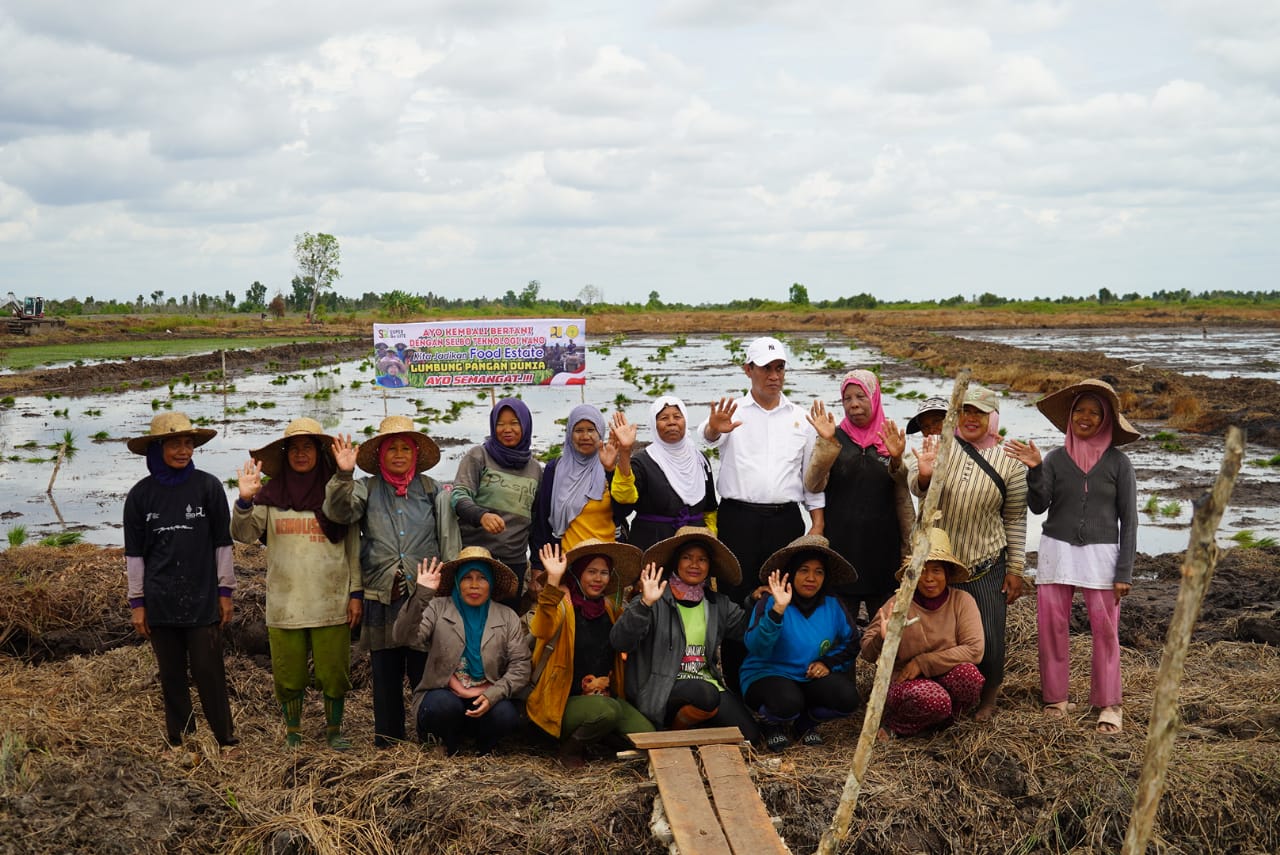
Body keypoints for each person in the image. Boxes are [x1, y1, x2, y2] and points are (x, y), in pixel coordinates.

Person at [1005, 378, 1140, 735]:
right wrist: (1034, 469)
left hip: (1103, 557)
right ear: (1070, 416)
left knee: (1106, 631)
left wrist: (1124, 570)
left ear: (1106, 420)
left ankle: (1109, 703)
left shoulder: (1119, 464)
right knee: (1052, 628)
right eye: (1079, 410)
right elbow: (1038, 506)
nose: (1085, 417)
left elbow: (1130, 519)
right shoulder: (1054, 459)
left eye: (1094, 413)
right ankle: (1056, 698)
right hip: (1056, 552)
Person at [698, 336, 824, 693]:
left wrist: (817, 521)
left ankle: (780, 683)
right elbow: (704, 440)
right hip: (737, 519)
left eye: (779, 367)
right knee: (738, 599)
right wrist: (712, 429)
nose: (774, 375)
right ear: (748, 370)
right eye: (766, 367)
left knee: (782, 596)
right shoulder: (731, 414)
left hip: (785, 519)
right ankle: (739, 687)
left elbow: (811, 478)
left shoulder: (801, 418)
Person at [232, 418, 362, 749]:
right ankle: (294, 732)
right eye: (294, 448)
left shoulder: (337, 495)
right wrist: (245, 501)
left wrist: (355, 593)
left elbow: (353, 549)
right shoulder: (270, 496)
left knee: (334, 673)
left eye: (308, 447)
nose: (301, 454)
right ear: (285, 454)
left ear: (320, 452)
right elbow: (244, 535)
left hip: (331, 600)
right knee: (288, 674)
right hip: (286, 602)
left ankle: (334, 731)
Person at [907, 384, 1027, 721]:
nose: (971, 418)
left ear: (993, 417)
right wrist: (926, 476)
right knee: (936, 636)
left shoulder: (1010, 461)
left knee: (987, 638)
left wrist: (1015, 567)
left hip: (984, 563)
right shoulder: (940, 446)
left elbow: (1016, 516)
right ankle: (942, 696)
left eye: (980, 412)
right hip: (937, 564)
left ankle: (987, 698)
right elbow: (916, 484)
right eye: (965, 411)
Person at [323, 415, 444, 747]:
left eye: (406, 448)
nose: (400, 455)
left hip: (423, 593)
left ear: (416, 454)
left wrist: (445, 587)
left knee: (425, 670)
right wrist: (344, 474)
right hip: (382, 592)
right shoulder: (366, 488)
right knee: (386, 673)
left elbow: (445, 536)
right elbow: (339, 513)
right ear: (380, 455)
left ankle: (428, 735)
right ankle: (388, 739)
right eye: (393, 449)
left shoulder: (431, 490)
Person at [123, 413, 237, 751]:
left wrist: (225, 590)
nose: (183, 450)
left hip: (202, 597)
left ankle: (225, 737)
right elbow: (135, 554)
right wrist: (137, 602)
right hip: (159, 599)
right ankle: (181, 738)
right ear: (157, 449)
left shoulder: (208, 487)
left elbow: (222, 542)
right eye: (174, 444)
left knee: (208, 669)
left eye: (188, 443)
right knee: (171, 674)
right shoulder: (140, 496)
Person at [609, 527, 761, 744]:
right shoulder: (655, 597)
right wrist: (644, 604)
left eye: (702, 559)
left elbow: (747, 632)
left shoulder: (718, 603)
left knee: (751, 736)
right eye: (687, 558)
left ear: (710, 567)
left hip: (707, 684)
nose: (694, 564)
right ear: (675, 562)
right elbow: (620, 641)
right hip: (661, 688)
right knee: (705, 695)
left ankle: (693, 723)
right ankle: (675, 731)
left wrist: (756, 603)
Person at [391, 546, 531, 755]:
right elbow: (403, 637)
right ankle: (447, 742)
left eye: (482, 578)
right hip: (446, 693)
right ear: (457, 581)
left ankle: (484, 745)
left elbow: (521, 665)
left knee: (505, 715)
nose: (474, 585)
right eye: (467, 578)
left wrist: (495, 693)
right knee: (442, 706)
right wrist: (421, 595)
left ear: (491, 584)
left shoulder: (506, 616)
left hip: (486, 695)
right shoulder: (437, 607)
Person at [527, 539, 653, 766]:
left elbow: (628, 637)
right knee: (607, 711)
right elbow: (541, 629)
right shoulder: (562, 605)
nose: (598, 579)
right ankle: (570, 750)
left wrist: (643, 601)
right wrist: (553, 583)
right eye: (591, 571)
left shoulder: (610, 608)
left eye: (604, 572)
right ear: (576, 573)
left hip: (603, 698)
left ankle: (598, 735)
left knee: (647, 736)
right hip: (562, 701)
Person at [805, 370, 914, 623]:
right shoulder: (835, 437)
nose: (854, 404)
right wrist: (826, 443)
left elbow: (906, 488)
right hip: (842, 554)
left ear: (875, 398)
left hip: (884, 555)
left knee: (887, 634)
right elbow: (813, 484)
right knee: (839, 636)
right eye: (847, 398)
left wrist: (897, 457)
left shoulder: (889, 438)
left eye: (861, 397)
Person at [860, 528, 985, 739]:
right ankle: (896, 725)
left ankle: (942, 722)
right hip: (906, 682)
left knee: (970, 677)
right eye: (921, 570)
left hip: (946, 675)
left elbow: (974, 650)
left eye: (936, 570)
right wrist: (884, 638)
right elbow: (867, 652)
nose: (928, 578)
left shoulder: (962, 601)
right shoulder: (898, 603)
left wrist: (923, 662)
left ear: (947, 573)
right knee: (935, 700)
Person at [740, 535, 862, 751]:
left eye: (819, 572)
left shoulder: (832, 605)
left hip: (807, 677)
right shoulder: (771, 600)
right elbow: (756, 646)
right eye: (804, 570)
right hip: (766, 674)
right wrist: (777, 611)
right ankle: (770, 724)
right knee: (786, 702)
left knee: (848, 698)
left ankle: (805, 723)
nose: (811, 578)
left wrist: (828, 663)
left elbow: (852, 642)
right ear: (791, 572)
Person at [451, 398, 543, 608]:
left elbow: (536, 523)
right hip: (476, 558)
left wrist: (536, 564)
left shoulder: (535, 469)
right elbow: (458, 496)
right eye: (500, 424)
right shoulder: (478, 456)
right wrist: (481, 515)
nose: (507, 429)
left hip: (514, 561)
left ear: (526, 425)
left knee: (504, 625)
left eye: (514, 423)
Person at [529, 404, 626, 577]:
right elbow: (542, 520)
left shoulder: (610, 467)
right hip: (566, 564)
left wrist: (611, 471)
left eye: (591, 430)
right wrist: (537, 564)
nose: (585, 436)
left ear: (600, 433)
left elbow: (623, 511)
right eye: (578, 430)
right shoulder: (555, 469)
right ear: (569, 434)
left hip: (606, 565)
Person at [609, 396, 718, 551]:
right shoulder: (642, 462)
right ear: (654, 424)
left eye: (677, 417)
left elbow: (710, 509)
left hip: (695, 546)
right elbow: (624, 500)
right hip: (652, 545)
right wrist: (625, 452)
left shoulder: (700, 460)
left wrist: (711, 539)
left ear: (685, 421)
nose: (671, 422)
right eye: (663, 418)